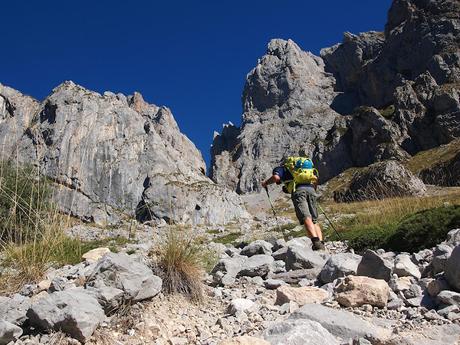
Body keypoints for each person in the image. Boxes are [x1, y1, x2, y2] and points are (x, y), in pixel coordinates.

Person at [262, 158, 325, 251]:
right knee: (314, 220)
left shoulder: (281, 169)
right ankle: (321, 244)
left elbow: (276, 178)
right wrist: (312, 191)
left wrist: (265, 183)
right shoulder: (303, 169)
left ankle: (316, 243)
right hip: (311, 189)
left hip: (299, 191)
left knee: (306, 216)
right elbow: (314, 180)